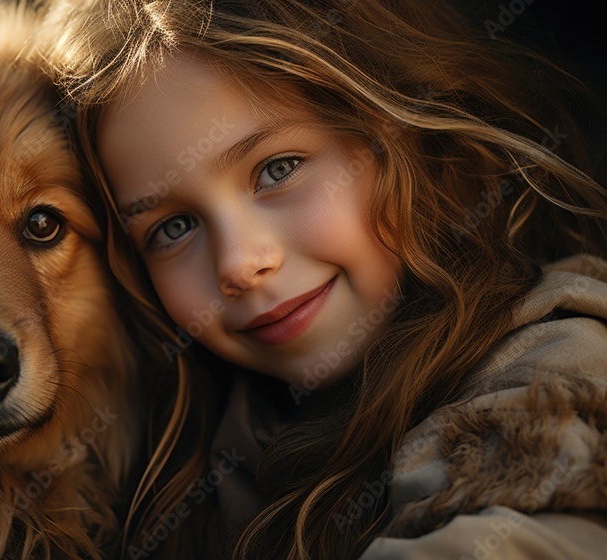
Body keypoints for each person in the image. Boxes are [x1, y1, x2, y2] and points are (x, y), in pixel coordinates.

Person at [46, 0, 607, 558]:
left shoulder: (554, 368)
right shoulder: (169, 462)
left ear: (402, 135)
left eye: (278, 169)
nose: (239, 263)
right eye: (173, 228)